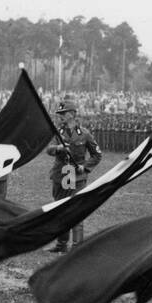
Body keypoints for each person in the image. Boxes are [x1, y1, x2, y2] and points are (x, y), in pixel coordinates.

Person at [46, 99, 102, 253]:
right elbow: (48, 149)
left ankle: (77, 248)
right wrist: (57, 148)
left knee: (76, 211)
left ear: (72, 114)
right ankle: (61, 244)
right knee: (60, 210)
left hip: (77, 177)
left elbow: (97, 155)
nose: (60, 116)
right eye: (59, 114)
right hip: (61, 175)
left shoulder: (84, 134)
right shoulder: (58, 132)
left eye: (63, 114)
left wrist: (85, 167)